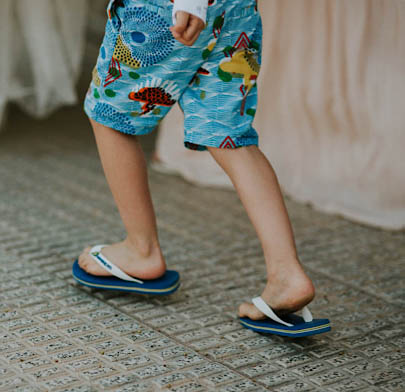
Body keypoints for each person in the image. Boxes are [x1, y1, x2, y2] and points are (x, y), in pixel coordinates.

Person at [71, 0, 330, 337]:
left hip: (163, 11)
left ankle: (141, 249)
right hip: (233, 11)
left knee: (111, 116)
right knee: (230, 138)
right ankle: (286, 273)